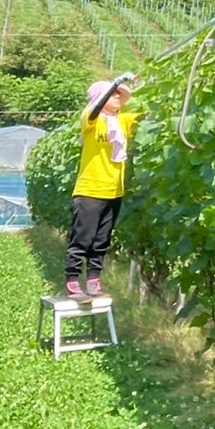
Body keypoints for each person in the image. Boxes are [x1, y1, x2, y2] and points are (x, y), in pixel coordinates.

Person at [66, 74, 140, 298]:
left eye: (120, 95)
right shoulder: (91, 121)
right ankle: (72, 280)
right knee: (83, 238)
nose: (118, 98)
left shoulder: (123, 122)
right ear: (102, 97)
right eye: (113, 95)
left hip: (114, 191)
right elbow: (95, 108)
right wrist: (116, 83)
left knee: (101, 240)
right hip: (90, 190)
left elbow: (151, 113)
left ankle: (93, 280)